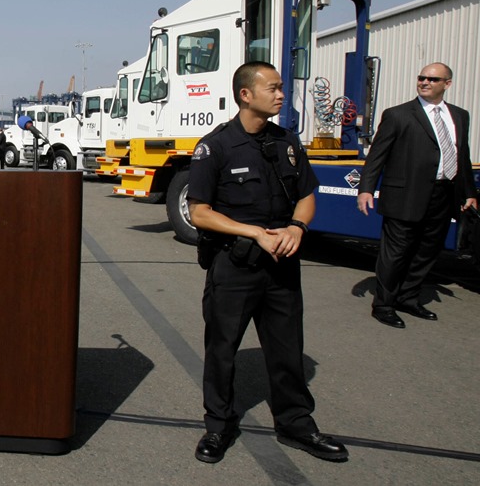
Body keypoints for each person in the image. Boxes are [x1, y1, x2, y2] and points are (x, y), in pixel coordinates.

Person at [187, 61, 347, 463]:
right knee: (222, 349)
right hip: (235, 265)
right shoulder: (216, 146)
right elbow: (200, 211)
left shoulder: (287, 142)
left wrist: (297, 227)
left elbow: (308, 194)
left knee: (287, 348)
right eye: (273, 88)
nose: (280, 94)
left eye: (280, 88)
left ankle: (296, 424)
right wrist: (254, 232)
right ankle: (218, 426)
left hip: (281, 265)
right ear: (246, 94)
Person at [357, 63, 477, 328]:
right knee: (396, 253)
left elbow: (461, 154)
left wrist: (469, 191)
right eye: (421, 77)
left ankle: (408, 298)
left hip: (444, 194)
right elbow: (378, 154)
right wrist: (366, 188)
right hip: (405, 195)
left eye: (432, 79)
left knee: (426, 252)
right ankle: (384, 304)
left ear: (447, 84)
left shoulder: (459, 115)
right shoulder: (398, 115)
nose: (424, 82)